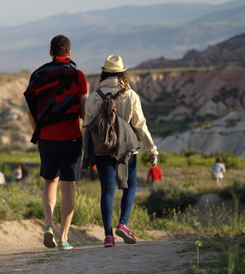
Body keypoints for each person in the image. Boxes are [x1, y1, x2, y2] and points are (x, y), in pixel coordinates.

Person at [83, 55, 159, 248]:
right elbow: (140, 125)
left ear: (104, 73)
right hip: (127, 149)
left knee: (107, 191)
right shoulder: (130, 95)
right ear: (122, 73)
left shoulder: (93, 97)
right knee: (129, 187)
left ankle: (108, 236)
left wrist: (87, 154)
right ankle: (123, 224)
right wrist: (152, 150)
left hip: (102, 149)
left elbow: (87, 127)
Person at [24, 35, 88, 250]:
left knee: (49, 182)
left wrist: (38, 130)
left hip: (47, 138)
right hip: (71, 137)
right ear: (69, 53)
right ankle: (64, 238)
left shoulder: (38, 75)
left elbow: (31, 110)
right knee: (68, 187)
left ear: (50, 52)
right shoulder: (77, 75)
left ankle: (48, 225)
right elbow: (84, 109)